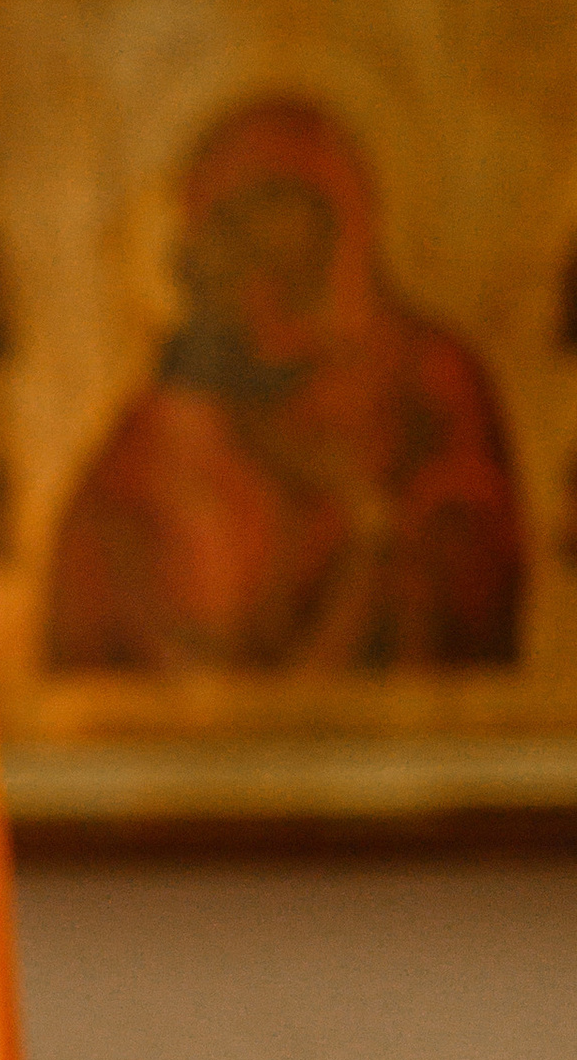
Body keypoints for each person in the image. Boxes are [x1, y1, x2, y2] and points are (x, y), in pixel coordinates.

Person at [49, 93, 525, 675]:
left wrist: (374, 525)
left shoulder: (433, 373)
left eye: (272, 201)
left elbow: (475, 568)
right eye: (227, 213)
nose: (251, 234)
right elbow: (95, 584)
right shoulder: (177, 402)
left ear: (334, 207)